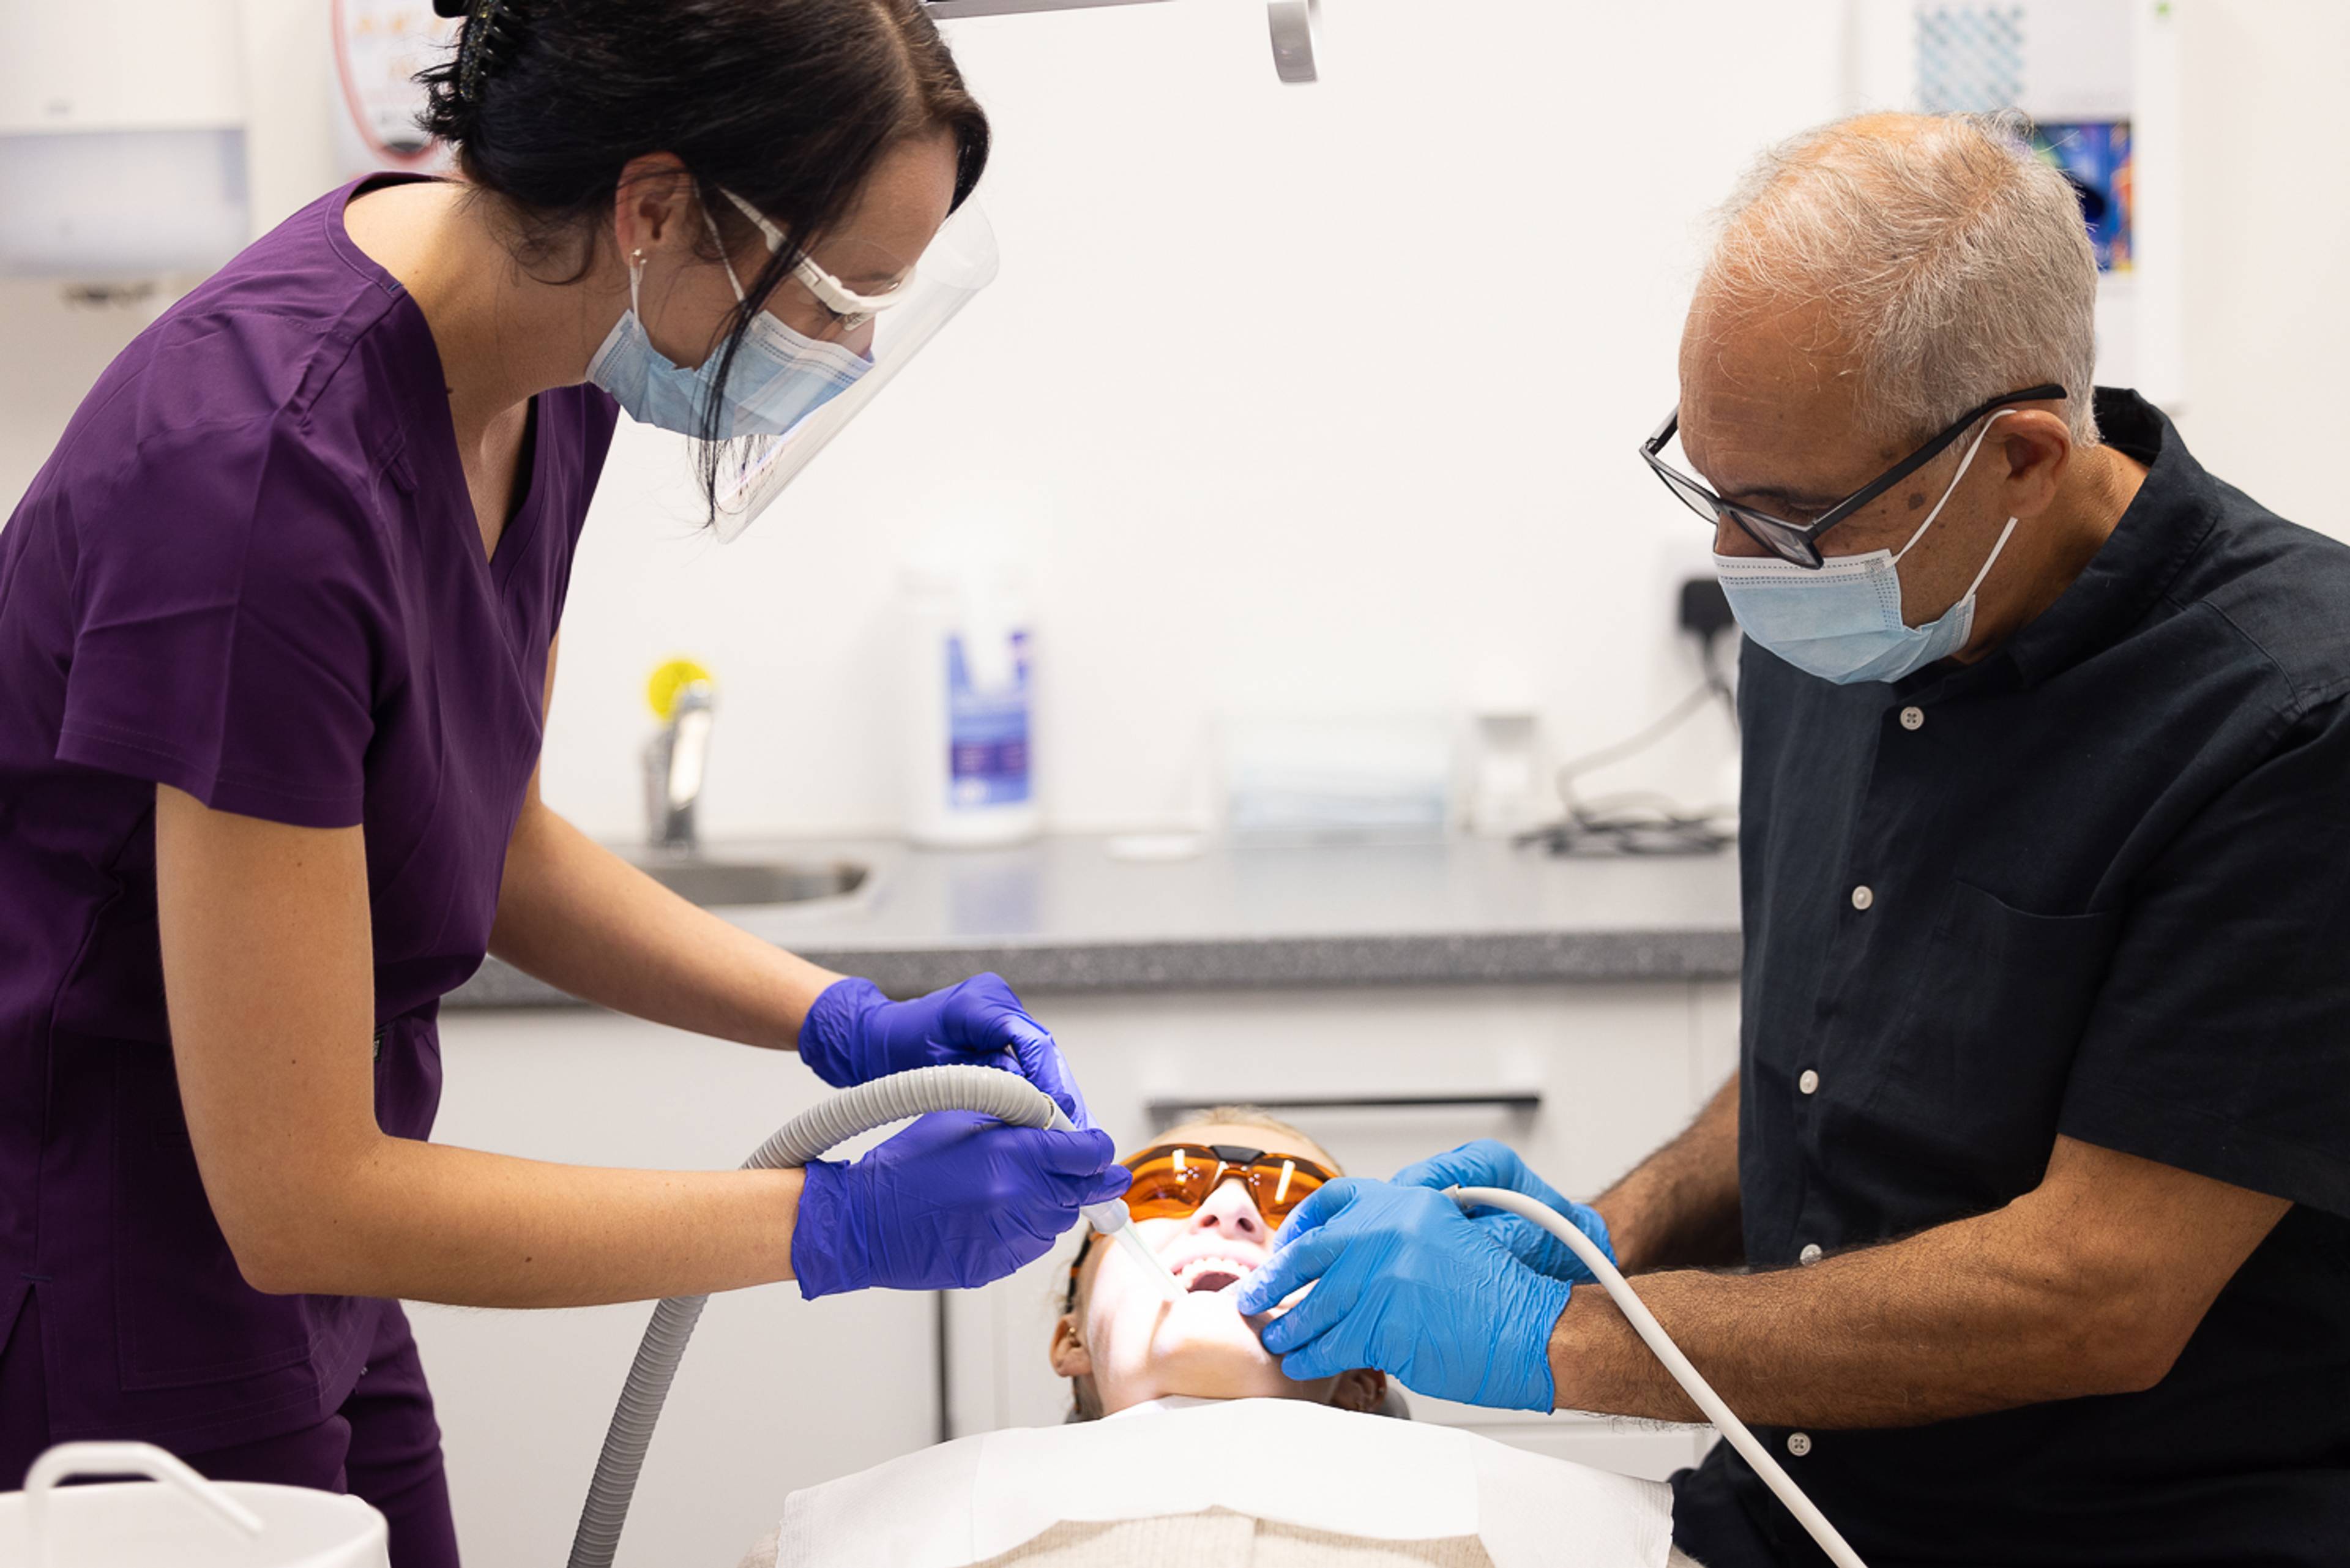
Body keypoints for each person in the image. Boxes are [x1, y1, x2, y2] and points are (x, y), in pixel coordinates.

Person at [0, 3, 1123, 1563]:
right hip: (113, 1270)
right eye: (839, 289)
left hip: (325, 1256)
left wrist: (838, 1017)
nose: (855, 344)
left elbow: (494, 835)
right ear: (655, 208)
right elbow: (295, 1189)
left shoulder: (551, 366)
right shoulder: (258, 480)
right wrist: (834, 1224)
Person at [1237, 112, 2350, 1565]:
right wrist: (1608, 1230)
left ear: (2018, 457)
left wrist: (1564, 1336)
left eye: (1782, 519)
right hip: (1782, 1505)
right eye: (1707, 489)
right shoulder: (1848, 612)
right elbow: (1840, 1060)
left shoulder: (2292, 720)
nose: (1736, 566)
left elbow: (2097, 1291)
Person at [743, 1111, 1695, 1568]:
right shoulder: (858, 1540)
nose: (1234, 1206)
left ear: (1367, 1372)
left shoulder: (1593, 1539)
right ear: (1070, 1333)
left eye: (1293, 1203)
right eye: (1166, 1189)